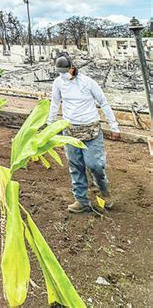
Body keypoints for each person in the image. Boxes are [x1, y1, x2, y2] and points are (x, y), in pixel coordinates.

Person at [48, 55, 121, 213]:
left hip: (91, 129)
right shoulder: (59, 83)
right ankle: (81, 200)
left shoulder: (87, 82)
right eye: (60, 72)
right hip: (71, 130)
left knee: (95, 165)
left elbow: (103, 102)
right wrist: (49, 124)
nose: (64, 75)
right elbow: (54, 104)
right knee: (76, 166)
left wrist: (114, 126)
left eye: (65, 71)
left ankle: (104, 192)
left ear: (72, 68)